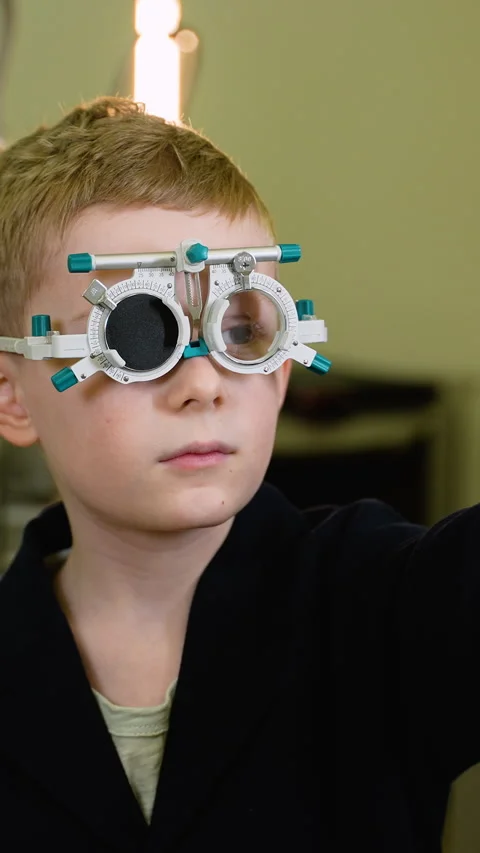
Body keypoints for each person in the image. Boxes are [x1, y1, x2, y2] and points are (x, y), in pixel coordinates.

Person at [0, 97, 477, 853]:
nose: (204, 383)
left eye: (243, 329)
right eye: (137, 331)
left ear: (284, 367)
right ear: (12, 394)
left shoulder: (379, 603)